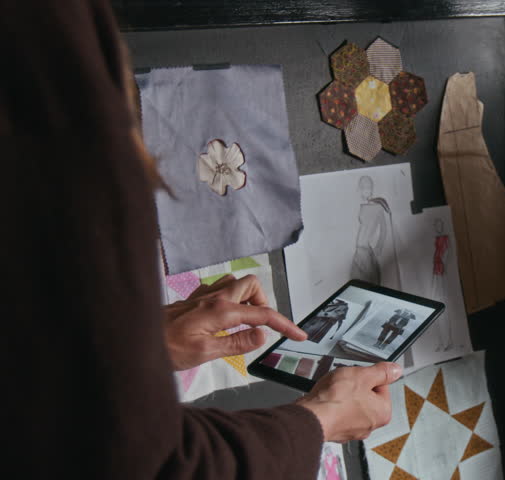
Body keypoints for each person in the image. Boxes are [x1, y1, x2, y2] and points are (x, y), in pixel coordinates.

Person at [2, 1, 400, 478]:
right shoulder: (40, 52)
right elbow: (152, 464)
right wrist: (322, 419)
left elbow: (34, 391)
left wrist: (147, 342)